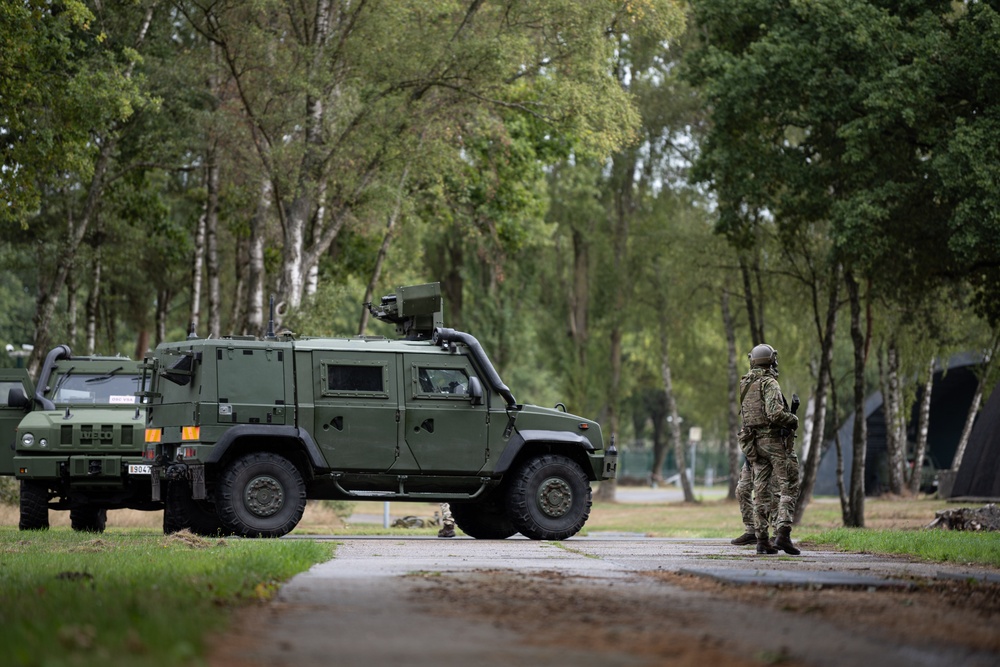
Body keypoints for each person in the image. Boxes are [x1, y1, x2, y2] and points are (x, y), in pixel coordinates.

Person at [737, 343, 801, 555]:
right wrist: (793, 419)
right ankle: (783, 533)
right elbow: (774, 414)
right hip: (774, 443)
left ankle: (762, 540)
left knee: (761, 492)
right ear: (771, 360)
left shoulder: (746, 383)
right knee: (788, 485)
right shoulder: (769, 382)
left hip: (754, 445)